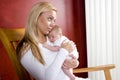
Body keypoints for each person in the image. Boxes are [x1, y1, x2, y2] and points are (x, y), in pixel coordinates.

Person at [16, 2, 90, 80]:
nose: (52, 24)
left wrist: (74, 63)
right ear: (36, 17)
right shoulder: (27, 50)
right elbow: (47, 78)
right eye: (49, 19)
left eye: (54, 21)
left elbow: (73, 53)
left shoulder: (54, 38)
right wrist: (63, 50)